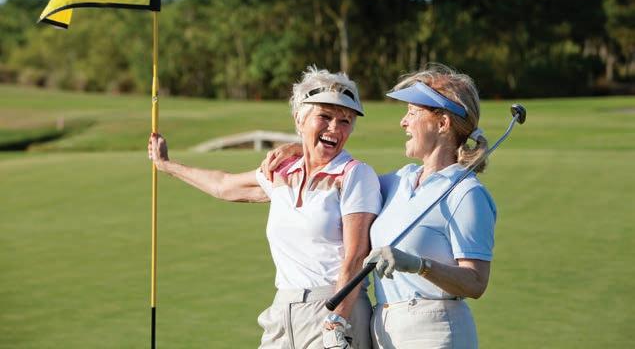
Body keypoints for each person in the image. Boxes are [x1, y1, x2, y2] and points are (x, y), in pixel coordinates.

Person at [262, 64, 497, 349]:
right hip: (384, 330)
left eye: (413, 112)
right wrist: (305, 149)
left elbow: (475, 282)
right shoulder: (400, 181)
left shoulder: (467, 193)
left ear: (443, 123)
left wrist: (420, 265)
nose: (403, 122)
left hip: (435, 330)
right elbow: (342, 179)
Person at [148, 66, 382, 349]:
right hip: (282, 310)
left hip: (335, 307)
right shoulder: (282, 170)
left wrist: (337, 320)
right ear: (299, 119)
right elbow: (224, 185)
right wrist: (167, 166)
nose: (335, 128)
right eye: (325, 116)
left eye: (345, 121)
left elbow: (356, 258)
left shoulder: (355, 175)